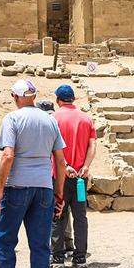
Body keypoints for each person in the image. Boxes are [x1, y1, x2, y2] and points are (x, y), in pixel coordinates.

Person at [0, 80, 67, 268]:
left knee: (7, 241)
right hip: (44, 187)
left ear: (15, 97)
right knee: (40, 245)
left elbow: (8, 155)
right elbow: (60, 161)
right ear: (34, 96)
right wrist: (58, 193)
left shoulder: (13, 118)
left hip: (17, 185)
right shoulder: (50, 120)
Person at [50, 85, 97, 268]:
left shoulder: (53, 119)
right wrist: (86, 166)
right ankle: (80, 257)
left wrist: (65, 166)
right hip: (80, 177)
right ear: (74, 99)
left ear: (57, 100)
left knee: (58, 214)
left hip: (60, 176)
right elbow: (92, 145)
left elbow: (51, 148)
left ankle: (58, 258)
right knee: (80, 216)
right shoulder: (86, 119)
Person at [36, 99, 76, 259]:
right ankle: (68, 244)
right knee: (64, 210)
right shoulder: (59, 122)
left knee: (53, 211)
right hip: (65, 172)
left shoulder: (43, 126)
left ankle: (56, 248)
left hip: (50, 173)